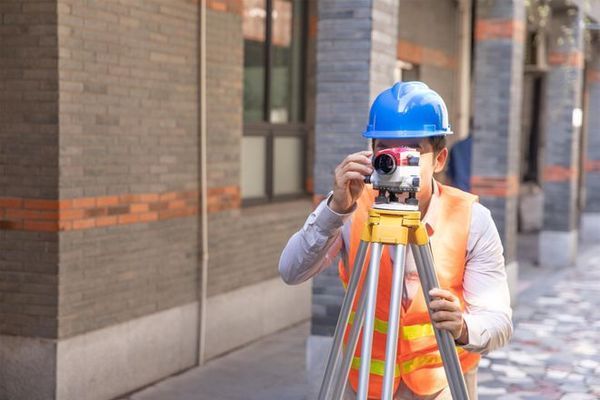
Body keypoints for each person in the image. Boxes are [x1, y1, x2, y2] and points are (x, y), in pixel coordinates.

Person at [279, 82, 512, 399]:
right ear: (372, 154)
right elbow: (291, 270)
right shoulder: (351, 206)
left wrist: (463, 327)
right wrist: (335, 209)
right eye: (387, 151)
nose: (397, 162)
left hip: (442, 383)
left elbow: (499, 321)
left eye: (411, 152)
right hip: (364, 384)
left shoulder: (471, 218)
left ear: (440, 159)